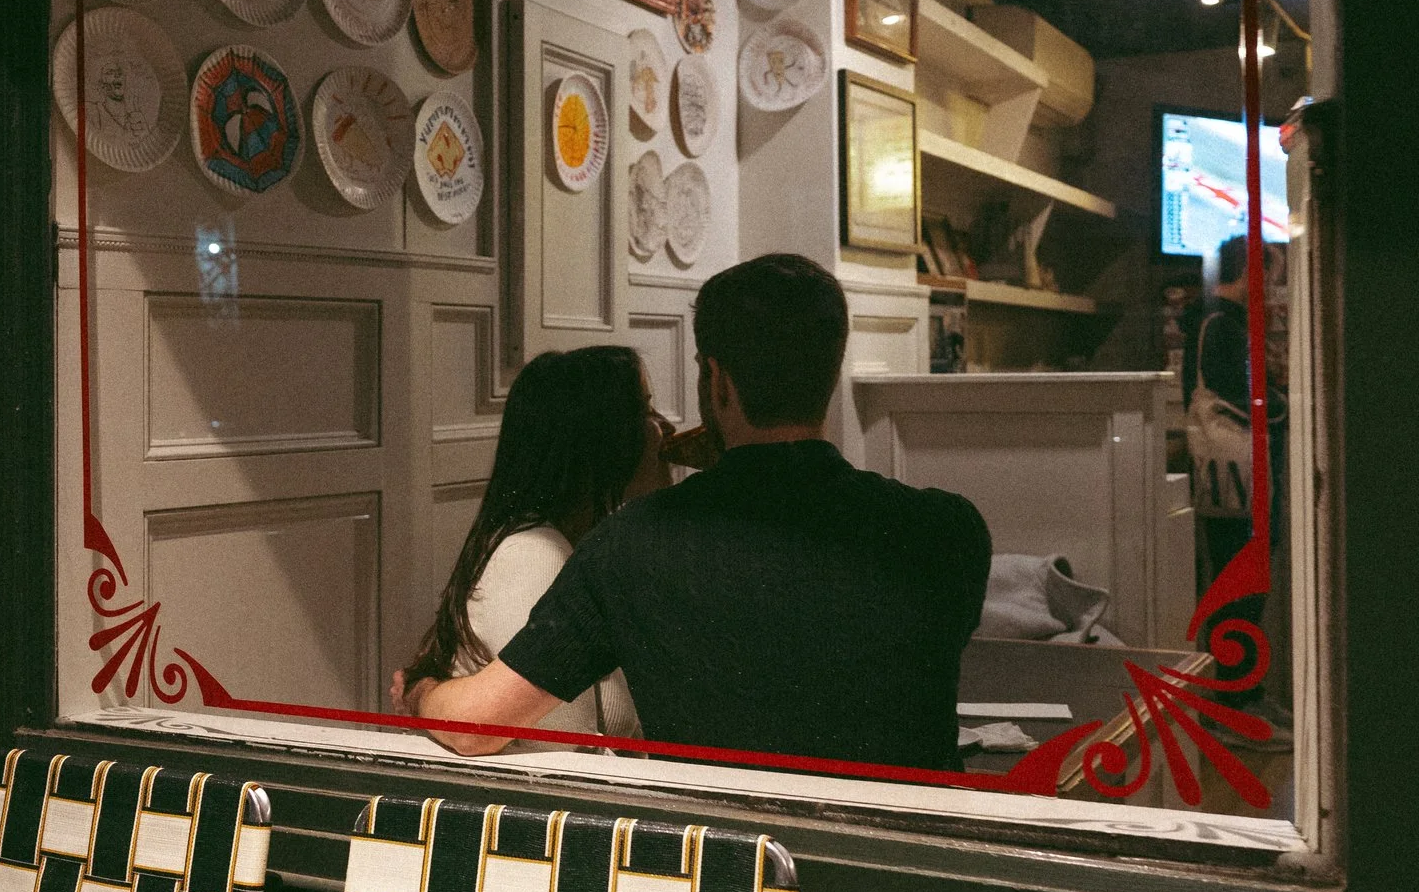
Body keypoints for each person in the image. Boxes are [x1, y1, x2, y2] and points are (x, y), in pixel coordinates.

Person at [403, 253, 991, 772]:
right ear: (831, 372)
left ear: (717, 380)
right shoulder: (950, 531)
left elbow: (475, 723)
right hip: (913, 876)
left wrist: (420, 691)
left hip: (731, 876)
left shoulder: (630, 545)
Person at [402, 345, 663, 741]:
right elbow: (560, 751)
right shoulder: (537, 554)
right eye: (645, 412)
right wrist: (421, 693)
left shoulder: (582, 547)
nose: (665, 429)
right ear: (602, 437)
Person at [1190, 234, 1287, 710]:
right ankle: (1238, 698)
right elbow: (1237, 392)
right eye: (1268, 273)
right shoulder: (1223, 324)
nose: (1272, 285)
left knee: (1236, 582)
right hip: (1238, 480)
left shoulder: (1216, 320)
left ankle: (1238, 694)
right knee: (1242, 582)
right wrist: (1286, 409)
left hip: (1230, 479)